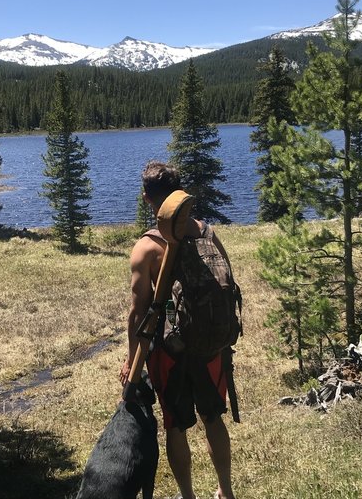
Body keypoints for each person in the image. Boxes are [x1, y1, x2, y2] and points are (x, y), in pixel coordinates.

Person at [120, 161, 236, 499]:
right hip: (211, 346)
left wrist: (131, 364)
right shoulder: (207, 232)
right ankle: (225, 492)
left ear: (147, 198)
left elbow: (138, 312)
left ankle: (188, 495)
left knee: (176, 425)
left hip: (171, 352)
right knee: (213, 418)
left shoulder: (146, 247)